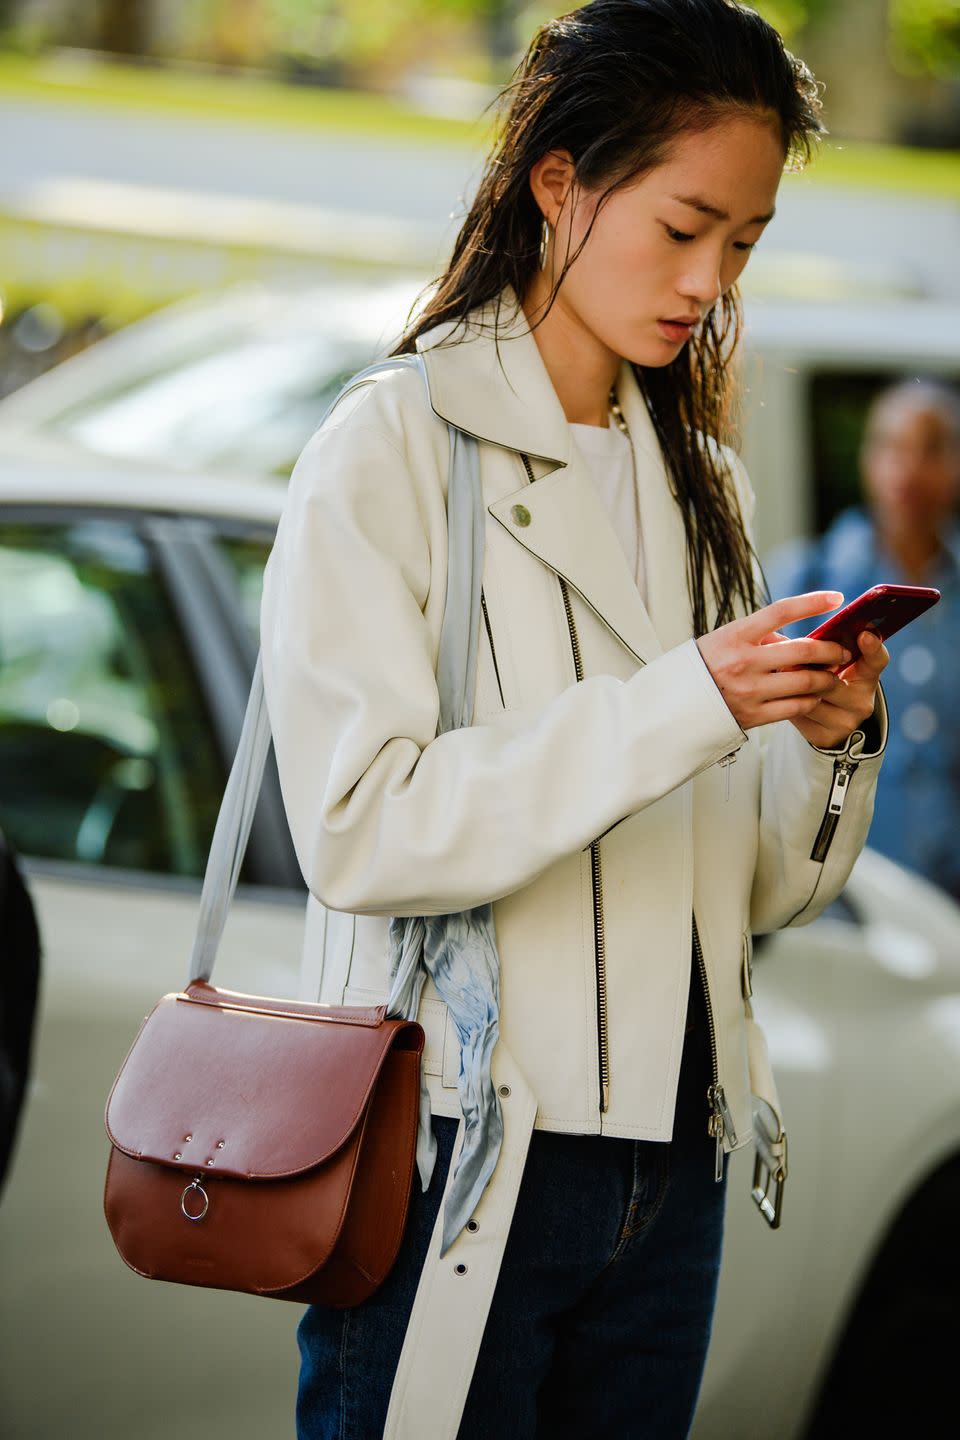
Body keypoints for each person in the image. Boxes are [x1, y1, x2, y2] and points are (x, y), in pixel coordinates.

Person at [260, 3, 889, 1436]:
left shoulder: (705, 481)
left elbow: (762, 889)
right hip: (456, 1160)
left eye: (743, 241)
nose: (708, 280)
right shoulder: (392, 446)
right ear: (559, 182)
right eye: (682, 226)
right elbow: (358, 830)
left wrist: (825, 739)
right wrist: (687, 702)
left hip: (678, 1167)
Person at [767, 378, 960, 900]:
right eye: (892, 446)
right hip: (843, 899)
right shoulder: (805, 581)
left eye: (933, 448)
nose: (909, 468)